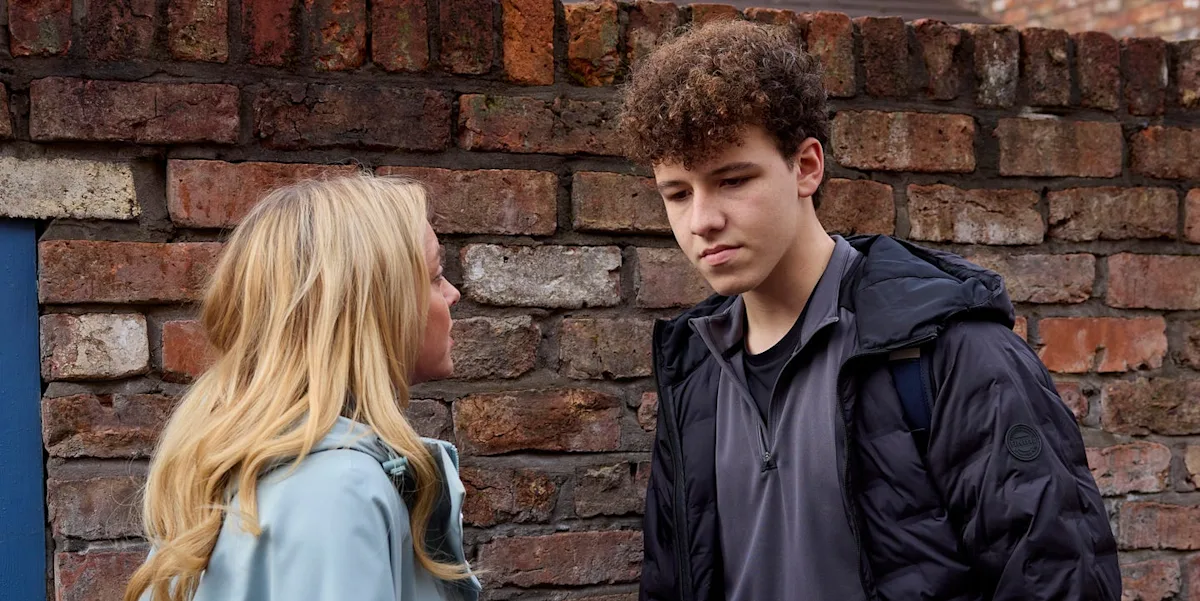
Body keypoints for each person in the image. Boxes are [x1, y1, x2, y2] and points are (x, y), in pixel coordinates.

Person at [618, 19, 1120, 601]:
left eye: (732, 180)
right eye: (678, 194)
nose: (702, 220)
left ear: (806, 167)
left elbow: (1058, 579)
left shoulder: (948, 350)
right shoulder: (693, 367)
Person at [123, 174, 481, 601]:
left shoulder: (240, 462)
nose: (452, 294)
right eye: (436, 276)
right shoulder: (338, 489)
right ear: (373, 306)